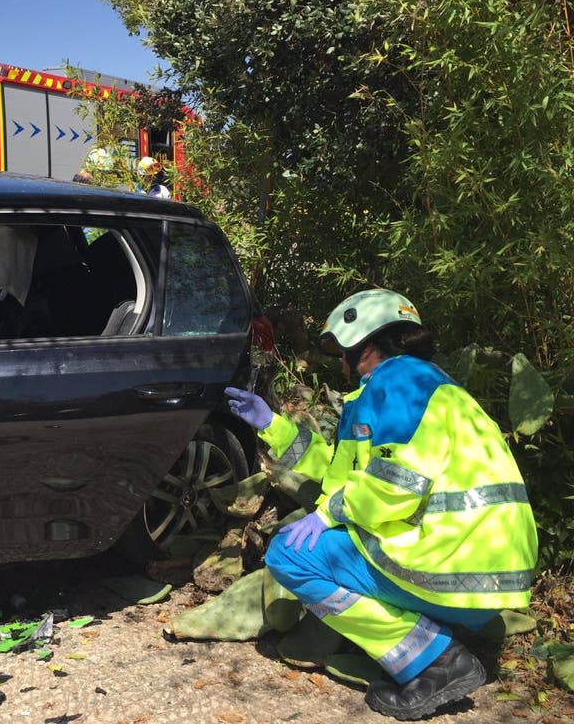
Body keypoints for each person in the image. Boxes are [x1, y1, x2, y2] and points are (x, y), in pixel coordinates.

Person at [224, 288, 537, 720]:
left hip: (451, 561)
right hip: (486, 566)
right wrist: (272, 425)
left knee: (289, 556)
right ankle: (439, 636)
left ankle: (438, 660)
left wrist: (327, 513)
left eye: (342, 351)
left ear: (365, 347)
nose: (339, 362)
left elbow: (395, 484)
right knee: (325, 540)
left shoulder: (398, 384)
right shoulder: (422, 384)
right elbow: (338, 470)